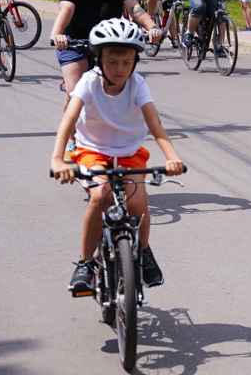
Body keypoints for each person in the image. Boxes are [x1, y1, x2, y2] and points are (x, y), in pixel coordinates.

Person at [50, 18, 184, 294]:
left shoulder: (137, 84)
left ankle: (144, 252)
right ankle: (85, 263)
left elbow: (155, 125)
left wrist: (172, 157)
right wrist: (57, 159)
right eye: (112, 61)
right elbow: (69, 120)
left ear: (135, 60)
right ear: (98, 59)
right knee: (100, 196)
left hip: (130, 153)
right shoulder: (88, 82)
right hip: (92, 152)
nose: (119, 68)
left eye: (126, 62)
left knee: (138, 203)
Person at [50, 0, 162, 161]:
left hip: (107, 41)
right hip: (74, 40)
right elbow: (67, 8)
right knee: (74, 92)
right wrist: (57, 34)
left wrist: (152, 27)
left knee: (116, 92)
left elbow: (134, 7)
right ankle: (73, 140)